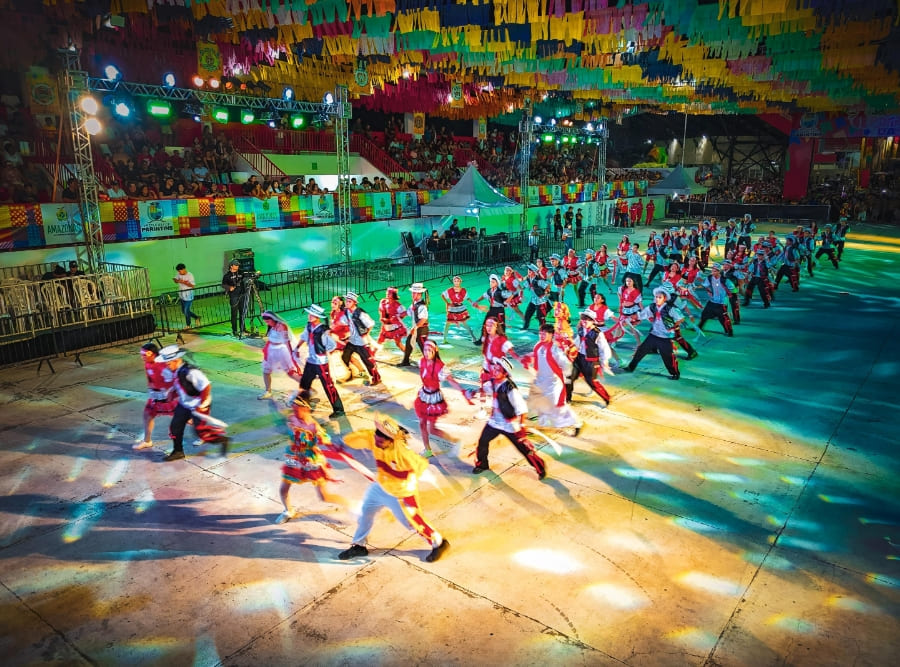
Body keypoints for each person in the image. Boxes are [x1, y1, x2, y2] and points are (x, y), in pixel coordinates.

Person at [336, 414, 449, 563]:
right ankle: (359, 545)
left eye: (381, 441)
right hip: (380, 487)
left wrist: (408, 481)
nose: (377, 442)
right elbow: (360, 437)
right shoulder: (374, 438)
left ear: (391, 441)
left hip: (401, 493)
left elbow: (421, 464)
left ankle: (438, 542)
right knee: (365, 513)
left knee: (412, 523)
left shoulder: (403, 453)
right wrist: (344, 442)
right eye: (376, 438)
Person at [467, 358, 547, 479]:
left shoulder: (510, 388)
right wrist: (473, 393)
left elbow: (521, 408)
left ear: (505, 373)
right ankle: (482, 464)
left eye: (498, 370)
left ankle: (540, 467)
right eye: (494, 368)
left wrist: (522, 426)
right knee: (483, 441)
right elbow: (484, 389)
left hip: (509, 424)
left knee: (523, 448)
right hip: (494, 422)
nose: (494, 371)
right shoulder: (492, 382)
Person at [275, 390, 346, 524]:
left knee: (324, 496)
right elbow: (283, 419)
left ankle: (348, 505)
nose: (294, 411)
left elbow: (327, 443)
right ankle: (288, 510)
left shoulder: (314, 426)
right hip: (294, 458)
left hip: (311, 461)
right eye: (293, 408)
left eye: (297, 409)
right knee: (283, 489)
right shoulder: (291, 418)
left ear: (306, 408)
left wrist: (336, 448)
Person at [157, 346, 229, 461]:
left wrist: (201, 406)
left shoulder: (191, 372)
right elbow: (179, 384)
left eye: (168, 363)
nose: (167, 366)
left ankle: (223, 440)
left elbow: (206, 386)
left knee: (201, 433)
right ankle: (178, 451)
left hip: (198, 405)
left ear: (176, 360)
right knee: (175, 427)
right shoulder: (176, 370)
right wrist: (172, 392)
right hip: (184, 404)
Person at [527, 324, 582, 435]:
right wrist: (528, 357)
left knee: (559, 408)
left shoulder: (555, 350)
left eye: (544, 333)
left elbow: (567, 365)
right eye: (540, 333)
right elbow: (537, 357)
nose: (541, 336)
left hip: (553, 383)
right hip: (541, 381)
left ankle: (576, 423)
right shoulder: (538, 346)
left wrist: (566, 380)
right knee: (539, 403)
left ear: (551, 335)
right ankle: (541, 425)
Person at [415, 339, 467, 457]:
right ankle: (427, 449)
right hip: (423, 396)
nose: (427, 353)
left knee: (432, 429)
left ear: (435, 351)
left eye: (429, 350)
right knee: (422, 424)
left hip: (434, 399)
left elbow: (452, 381)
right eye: (425, 350)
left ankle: (454, 441)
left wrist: (463, 391)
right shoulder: (421, 362)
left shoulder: (440, 367)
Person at [294, 304, 345, 418]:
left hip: (321, 362)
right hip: (311, 360)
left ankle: (338, 409)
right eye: (309, 314)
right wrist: (297, 348)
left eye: (312, 315)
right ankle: (303, 403)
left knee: (328, 385)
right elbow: (304, 337)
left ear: (317, 317)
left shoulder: (323, 331)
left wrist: (323, 352)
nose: (310, 316)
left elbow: (332, 345)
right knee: (305, 382)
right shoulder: (309, 326)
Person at [622, 288, 684, 380]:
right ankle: (631, 367)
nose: (657, 299)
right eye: (656, 297)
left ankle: (675, 373)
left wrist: (673, 326)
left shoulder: (670, 308)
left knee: (667, 357)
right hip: (654, 335)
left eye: (660, 297)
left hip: (665, 337)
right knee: (641, 351)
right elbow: (642, 315)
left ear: (664, 298)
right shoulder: (652, 307)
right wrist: (631, 318)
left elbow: (681, 318)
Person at [134, 342, 178, 450]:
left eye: (145, 355)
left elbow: (174, 381)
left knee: (187, 418)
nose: (142, 357)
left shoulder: (163, 366)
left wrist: (169, 393)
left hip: (167, 399)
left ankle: (206, 432)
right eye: (142, 354)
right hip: (155, 397)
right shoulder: (147, 364)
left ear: (153, 354)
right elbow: (150, 379)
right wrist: (152, 389)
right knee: (147, 415)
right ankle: (147, 441)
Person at [567, 311, 612, 406]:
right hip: (579, 358)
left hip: (591, 362)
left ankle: (606, 398)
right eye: (583, 319)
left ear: (592, 321)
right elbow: (578, 341)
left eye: (587, 319)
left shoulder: (597, 334)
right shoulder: (581, 330)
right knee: (569, 378)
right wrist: (570, 348)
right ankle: (567, 399)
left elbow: (604, 348)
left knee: (592, 382)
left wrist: (605, 360)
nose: (584, 321)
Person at [339, 292, 382, 384]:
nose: (347, 303)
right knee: (345, 356)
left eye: (349, 301)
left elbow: (370, 324)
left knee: (368, 361)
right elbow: (344, 322)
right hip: (352, 340)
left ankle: (376, 378)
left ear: (354, 302)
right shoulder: (347, 312)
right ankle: (352, 373)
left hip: (362, 342)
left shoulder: (360, 313)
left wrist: (365, 334)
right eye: (346, 301)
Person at [258, 310, 299, 399]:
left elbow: (286, 342)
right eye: (265, 322)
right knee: (266, 371)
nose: (267, 323)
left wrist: (291, 355)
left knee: (290, 372)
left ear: (273, 319)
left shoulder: (282, 326)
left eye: (268, 321)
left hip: (280, 351)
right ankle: (268, 391)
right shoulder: (271, 327)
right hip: (271, 351)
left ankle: (307, 387)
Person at [697, 264, 734, 336]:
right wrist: (697, 288)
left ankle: (729, 331)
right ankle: (700, 327)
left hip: (721, 303)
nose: (712, 273)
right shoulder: (710, 278)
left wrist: (727, 294)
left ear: (719, 271)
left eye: (714, 271)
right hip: (712, 300)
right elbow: (705, 285)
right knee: (704, 314)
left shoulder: (724, 280)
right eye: (712, 271)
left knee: (723, 318)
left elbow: (732, 287)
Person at [399, 283, 429, 366]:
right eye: (412, 292)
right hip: (416, 329)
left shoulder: (422, 306)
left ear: (419, 294)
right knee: (409, 343)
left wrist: (415, 327)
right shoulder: (414, 303)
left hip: (421, 330)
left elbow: (423, 319)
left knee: (424, 347)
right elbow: (408, 312)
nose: (412, 294)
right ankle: (405, 361)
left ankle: (431, 364)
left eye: (414, 293)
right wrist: (399, 315)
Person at [440, 275, 477, 343]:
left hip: (460, 308)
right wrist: (447, 302)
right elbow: (442, 295)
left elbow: (467, 298)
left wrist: (472, 302)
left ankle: (473, 337)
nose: (456, 282)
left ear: (460, 282)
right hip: (452, 308)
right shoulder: (450, 290)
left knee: (464, 323)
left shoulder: (463, 290)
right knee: (448, 323)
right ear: (453, 282)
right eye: (455, 281)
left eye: (458, 281)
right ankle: (444, 339)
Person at [376, 287, 409, 354]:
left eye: (389, 293)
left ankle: (407, 354)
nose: (387, 294)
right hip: (385, 326)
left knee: (398, 343)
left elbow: (405, 313)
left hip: (394, 327)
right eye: (387, 292)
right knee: (379, 340)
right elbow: (381, 311)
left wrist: (396, 317)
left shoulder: (397, 305)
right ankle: (372, 355)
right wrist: (383, 318)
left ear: (393, 295)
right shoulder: (383, 302)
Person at [173, 263, 201, 329]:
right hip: (182, 296)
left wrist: (184, 282)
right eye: (178, 271)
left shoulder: (190, 275)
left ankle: (188, 325)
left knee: (186, 311)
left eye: (180, 271)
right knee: (184, 311)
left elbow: (192, 285)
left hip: (188, 296)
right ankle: (196, 317)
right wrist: (178, 280)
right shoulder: (179, 274)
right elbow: (175, 279)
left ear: (184, 269)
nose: (179, 272)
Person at [221, 260, 245, 336]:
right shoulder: (227, 276)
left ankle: (243, 328)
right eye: (236, 265)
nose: (237, 266)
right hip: (234, 296)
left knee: (242, 313)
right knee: (234, 314)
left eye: (238, 265)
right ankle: (234, 330)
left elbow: (246, 277)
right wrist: (229, 287)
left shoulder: (241, 272)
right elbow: (223, 284)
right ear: (231, 266)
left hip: (242, 295)